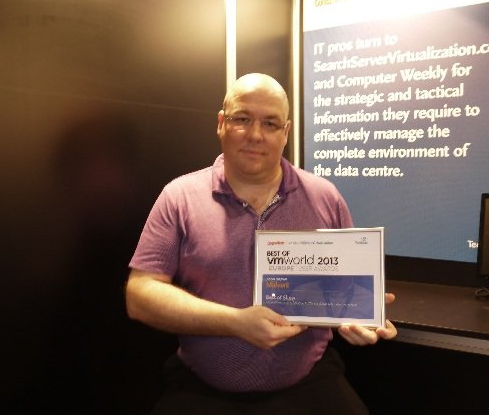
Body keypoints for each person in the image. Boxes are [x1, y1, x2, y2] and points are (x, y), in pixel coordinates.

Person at [125, 73, 397, 414]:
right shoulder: (179, 197)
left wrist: (359, 314)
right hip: (202, 390)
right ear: (221, 123)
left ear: (285, 132)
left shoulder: (325, 197)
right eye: (242, 119)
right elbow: (140, 295)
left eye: (270, 123)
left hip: (308, 384)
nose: (255, 135)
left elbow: (345, 292)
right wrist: (234, 322)